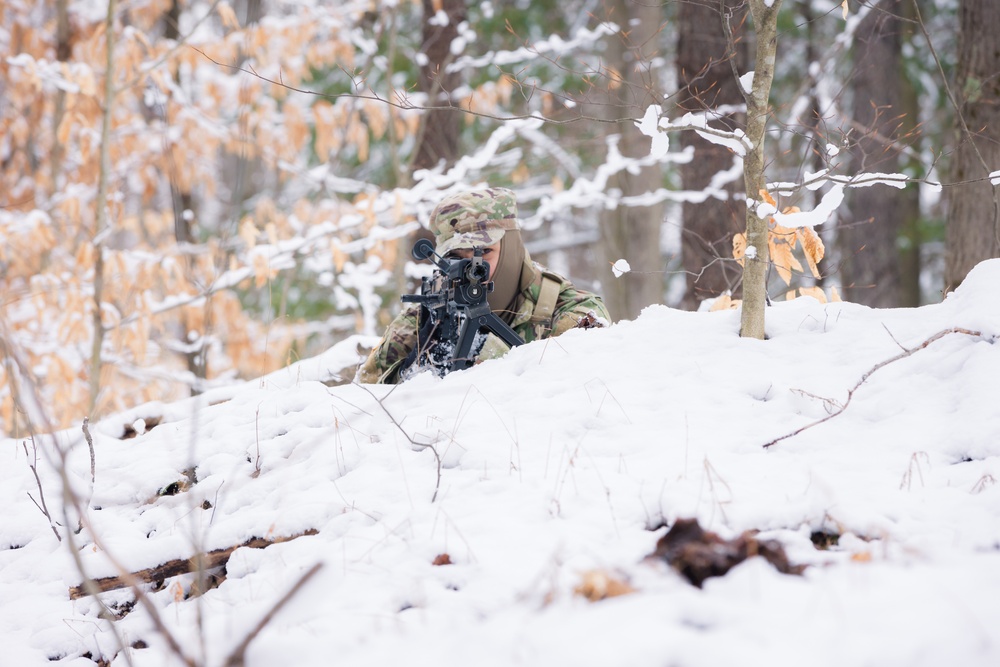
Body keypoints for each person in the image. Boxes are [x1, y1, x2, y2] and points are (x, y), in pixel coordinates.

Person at [358, 187, 610, 384]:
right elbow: (364, 396)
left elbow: (591, 383)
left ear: (512, 247)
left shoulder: (569, 307)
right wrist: (415, 370)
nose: (470, 269)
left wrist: (496, 360)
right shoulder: (424, 314)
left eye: (483, 253)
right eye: (457, 257)